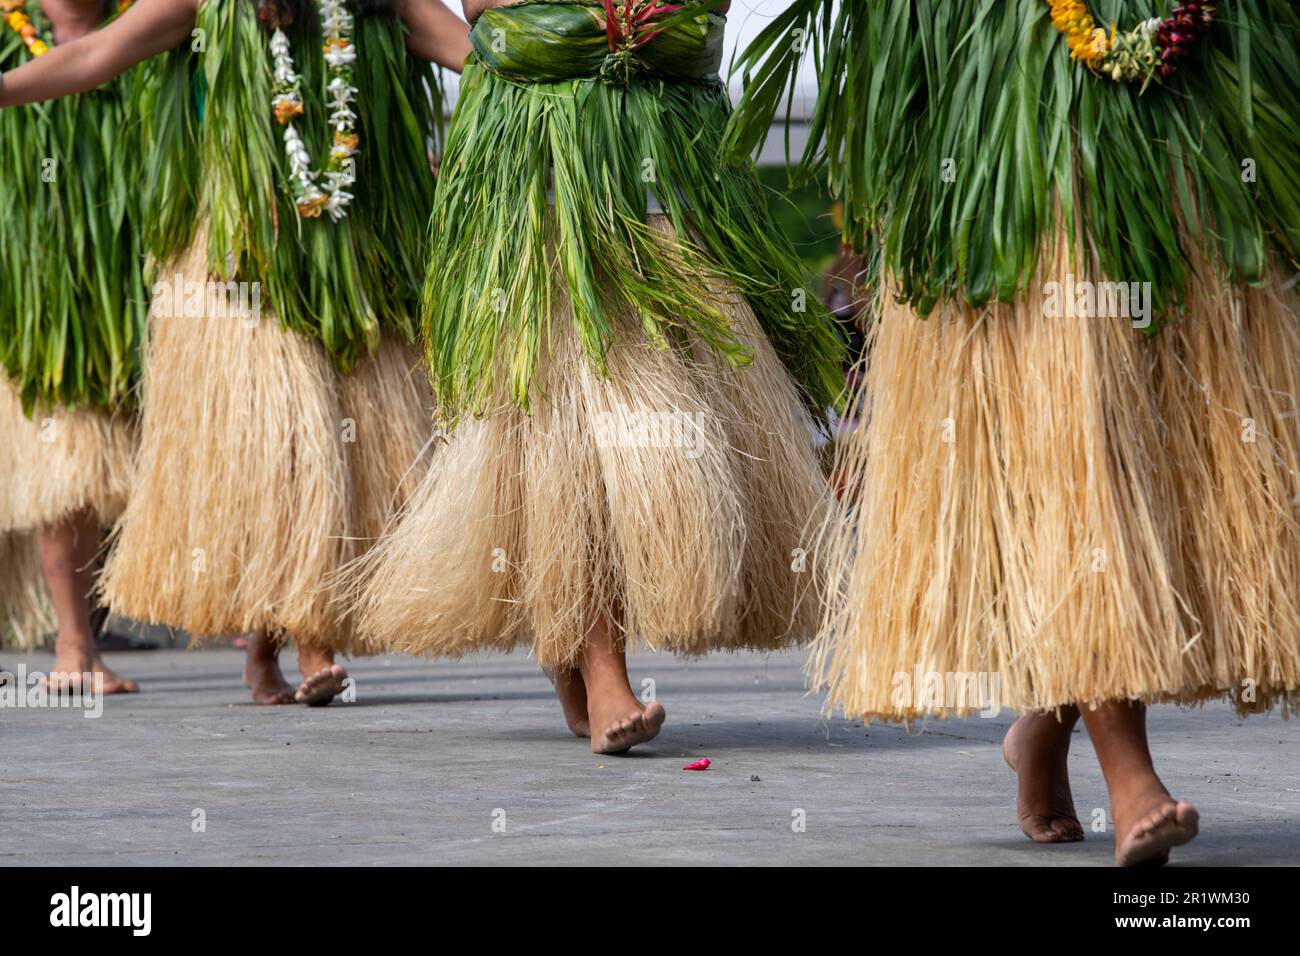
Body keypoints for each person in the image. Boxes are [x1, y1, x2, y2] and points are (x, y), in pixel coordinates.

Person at [729, 0, 1300, 865]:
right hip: (1018, 112)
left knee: (1155, 444)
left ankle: (1045, 729)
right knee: (1082, 442)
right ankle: (1130, 776)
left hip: (1181, 99)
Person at [346, 0, 845, 753]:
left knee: (659, 427)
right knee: (578, 429)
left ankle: (573, 645)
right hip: (541, 165)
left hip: (667, 157)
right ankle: (604, 668)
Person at [0, 0, 474, 704]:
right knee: (292, 442)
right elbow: (95, 55)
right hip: (235, 256)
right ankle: (312, 644)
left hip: (353, 254)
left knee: (344, 445)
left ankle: (271, 643)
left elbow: (480, 60)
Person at [0, 0, 144, 693]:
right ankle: (71, 647)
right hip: (32, 295)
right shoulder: (8, 33)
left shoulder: (142, 23)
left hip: (138, 282)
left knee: (114, 467)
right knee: (62, 461)